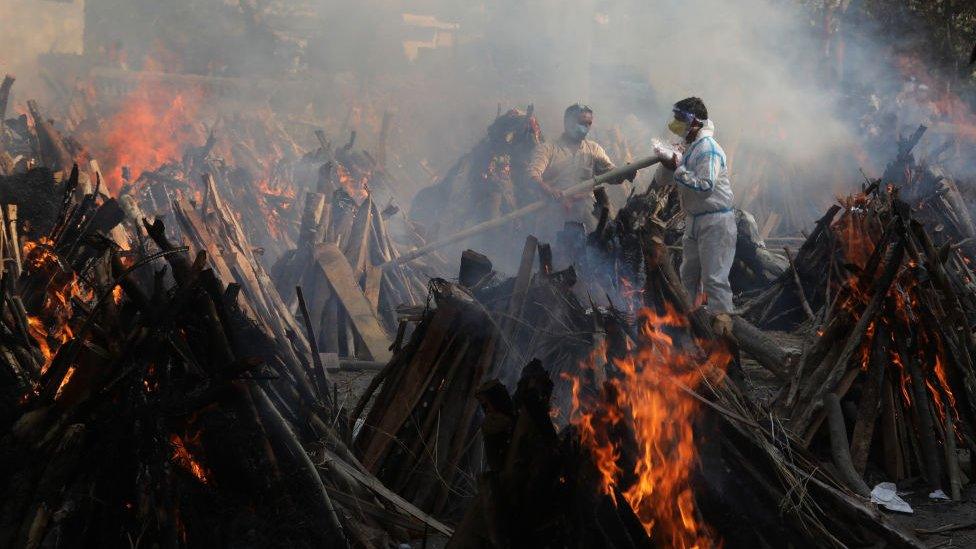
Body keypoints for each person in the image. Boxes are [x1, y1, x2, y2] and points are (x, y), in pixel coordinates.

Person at [653, 97, 736, 336]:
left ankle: (722, 332)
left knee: (714, 278)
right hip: (695, 219)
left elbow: (705, 185)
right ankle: (685, 329)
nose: (677, 124)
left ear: (696, 123)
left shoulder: (708, 148)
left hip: (716, 220)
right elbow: (663, 181)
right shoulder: (688, 147)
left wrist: (678, 167)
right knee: (687, 275)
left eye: (682, 120)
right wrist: (667, 163)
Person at [526, 104, 623, 237]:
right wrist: (549, 190)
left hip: (586, 209)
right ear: (567, 122)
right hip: (554, 209)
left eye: (589, 123)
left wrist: (624, 174)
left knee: (599, 246)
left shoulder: (594, 150)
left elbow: (612, 174)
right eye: (581, 123)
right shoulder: (548, 149)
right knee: (551, 249)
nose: (585, 128)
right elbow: (533, 174)